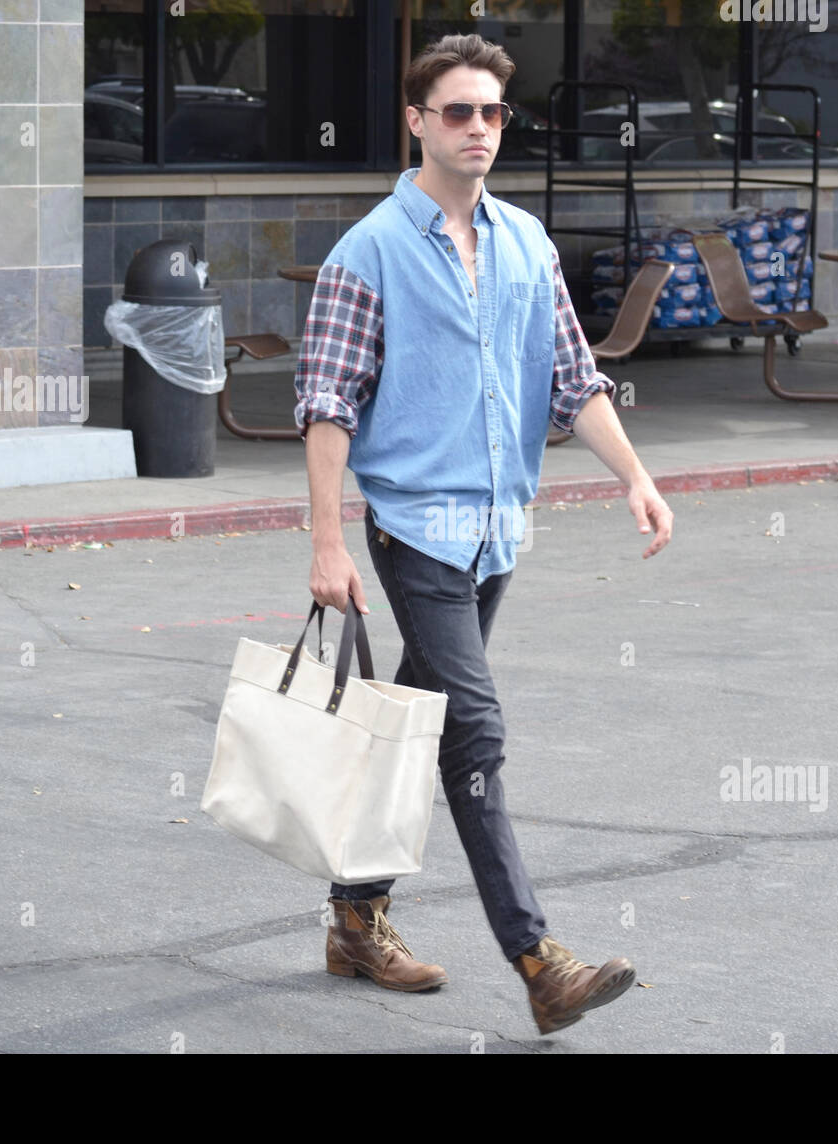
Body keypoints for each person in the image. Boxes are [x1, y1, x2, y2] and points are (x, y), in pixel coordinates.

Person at [293, 33, 674, 1036]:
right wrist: (328, 544)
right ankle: (538, 958)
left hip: (497, 529)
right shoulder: (366, 252)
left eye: (492, 113)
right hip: (414, 528)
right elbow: (326, 405)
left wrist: (634, 476)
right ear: (416, 119)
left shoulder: (526, 244)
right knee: (475, 735)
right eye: (456, 111)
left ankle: (352, 918)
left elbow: (573, 378)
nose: (476, 129)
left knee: (417, 733)